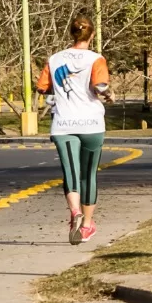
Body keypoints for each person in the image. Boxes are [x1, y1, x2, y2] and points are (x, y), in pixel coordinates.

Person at [36, 15, 113, 245]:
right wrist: (109, 95)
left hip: (63, 124)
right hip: (91, 123)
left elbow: (41, 87)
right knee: (89, 175)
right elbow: (100, 86)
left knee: (71, 173)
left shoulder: (55, 59)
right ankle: (87, 225)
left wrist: (56, 92)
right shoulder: (96, 59)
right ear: (91, 35)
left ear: (72, 33)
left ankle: (75, 213)